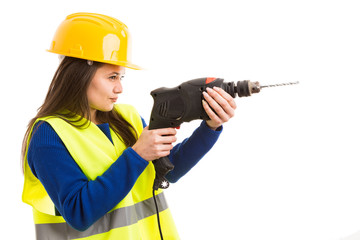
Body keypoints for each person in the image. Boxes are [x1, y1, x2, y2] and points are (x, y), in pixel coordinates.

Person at [21, 12, 236, 240]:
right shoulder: (49, 134)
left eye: (121, 78)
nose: (120, 89)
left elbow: (167, 170)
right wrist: (137, 155)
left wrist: (210, 127)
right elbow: (79, 212)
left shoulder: (128, 117)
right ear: (79, 76)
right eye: (112, 77)